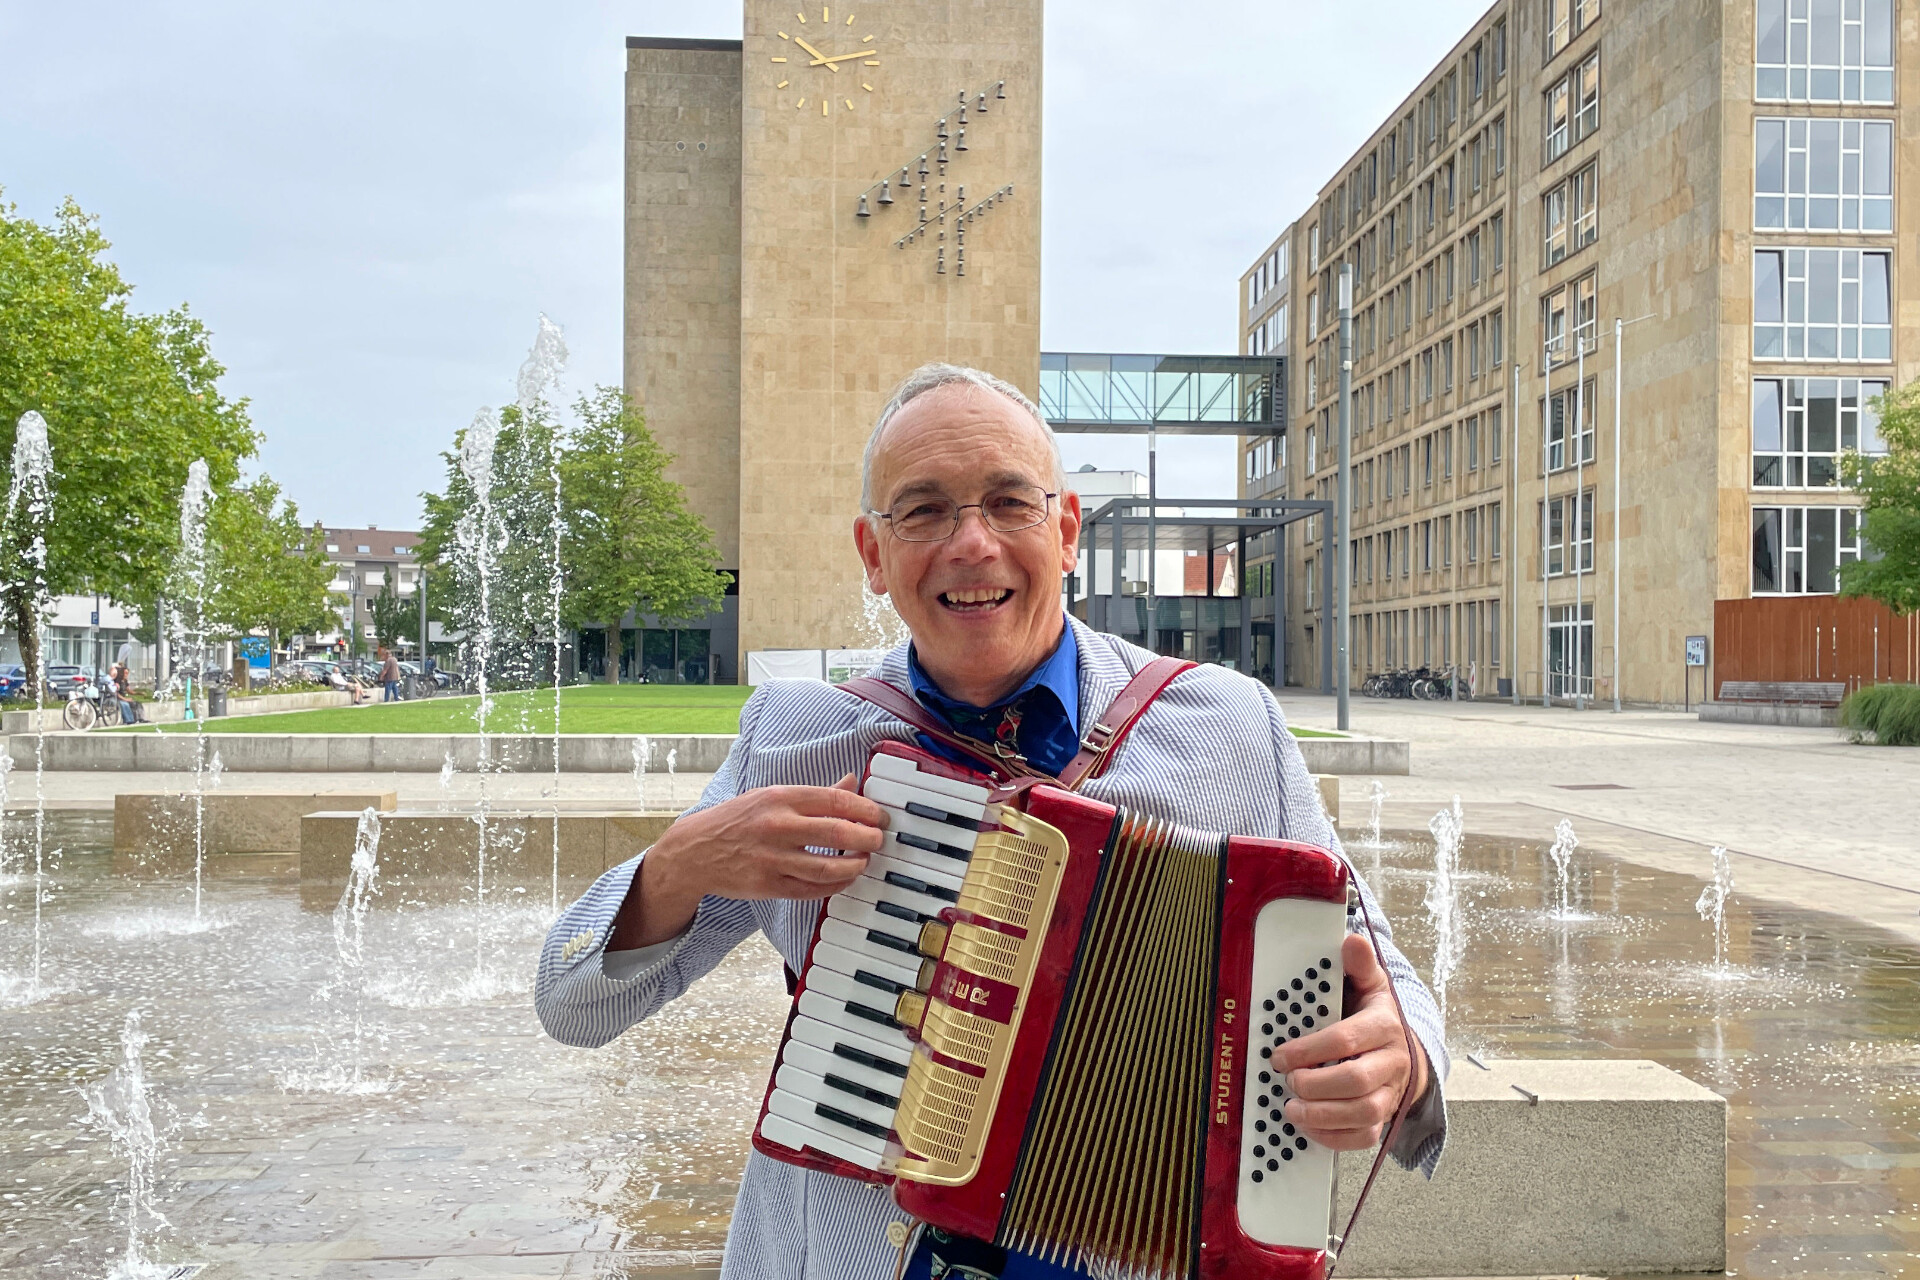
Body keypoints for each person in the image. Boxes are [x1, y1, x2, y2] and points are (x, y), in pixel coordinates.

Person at [535, 364, 1448, 1280]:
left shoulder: (1229, 725)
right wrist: (676, 867)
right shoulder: (796, 735)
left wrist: (1396, 1054)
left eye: (1009, 502)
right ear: (872, 554)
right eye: (923, 510)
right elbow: (573, 1008)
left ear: (1065, 529)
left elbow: (1380, 969)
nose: (972, 544)